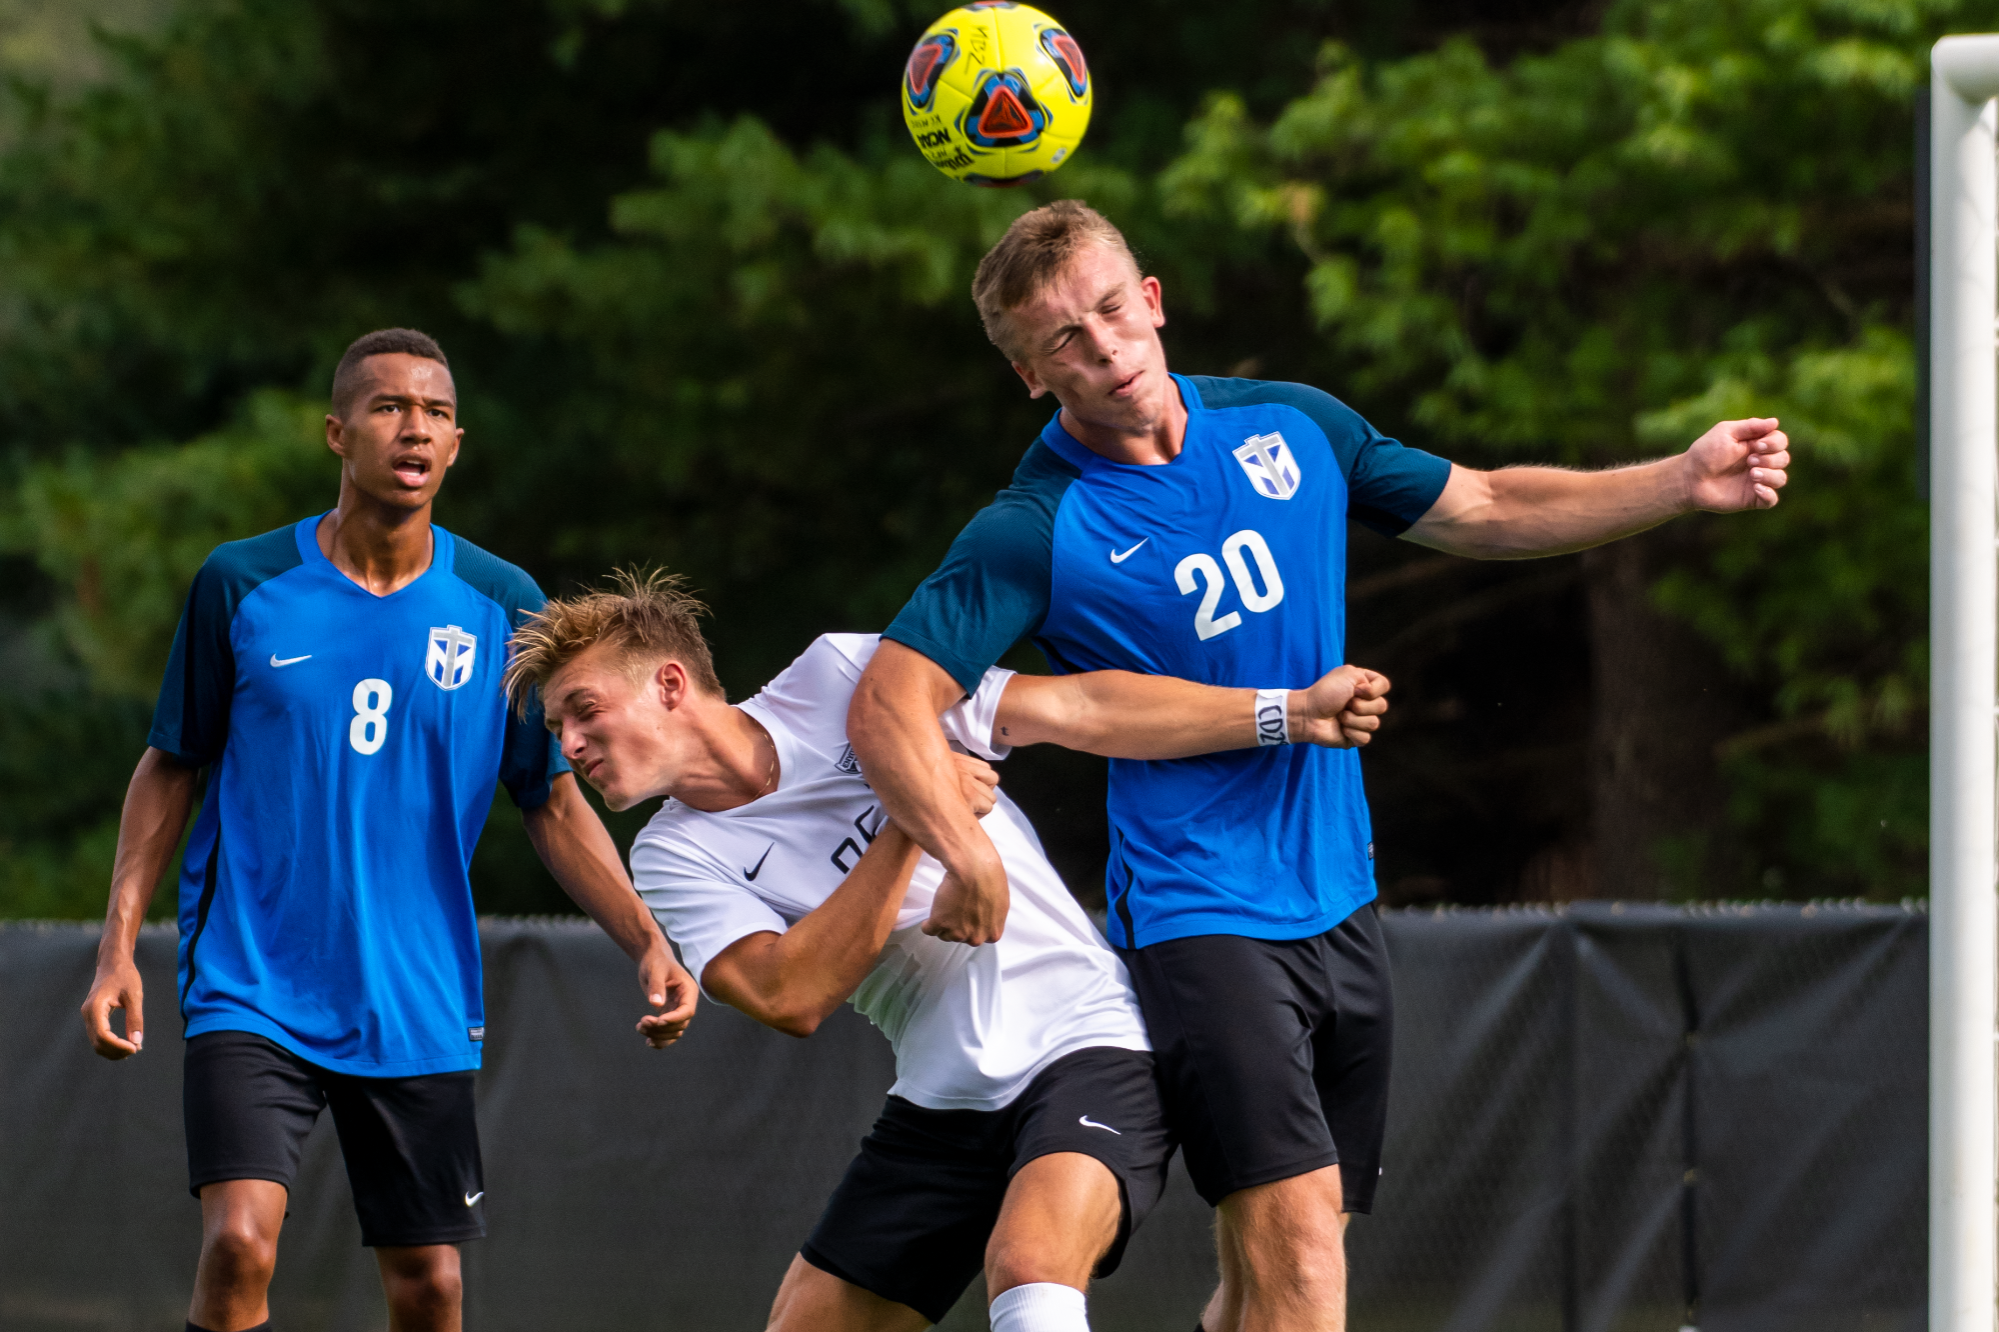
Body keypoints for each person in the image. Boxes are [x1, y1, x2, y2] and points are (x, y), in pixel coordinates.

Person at [845, 201, 1792, 1332]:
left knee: (1273, 1273)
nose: (1100, 349)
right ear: (1029, 377)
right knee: (1298, 1254)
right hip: (1200, 915)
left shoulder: (1292, 426)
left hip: (1340, 899)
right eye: (1062, 341)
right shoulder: (1035, 527)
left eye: (1109, 311)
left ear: (1151, 302)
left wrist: (1680, 481)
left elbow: (1484, 503)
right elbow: (888, 702)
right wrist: (962, 852)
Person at [500, 568, 1390, 1332]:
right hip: (941, 1098)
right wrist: (916, 820)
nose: (570, 747)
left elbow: (1075, 706)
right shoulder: (668, 853)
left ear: (666, 684)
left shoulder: (845, 674)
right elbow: (788, 994)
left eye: (583, 712)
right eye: (559, 731)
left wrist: (1283, 713)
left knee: (1030, 1268)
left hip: (1086, 1041)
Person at [77, 329, 699, 1332]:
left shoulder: (503, 604)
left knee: (431, 1288)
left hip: (415, 995)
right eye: (389, 407)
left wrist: (646, 942)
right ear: (338, 434)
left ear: (457, 447)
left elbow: (544, 796)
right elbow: (170, 765)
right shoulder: (241, 585)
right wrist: (117, 947)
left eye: (438, 413)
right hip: (254, 981)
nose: (416, 427)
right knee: (238, 1244)